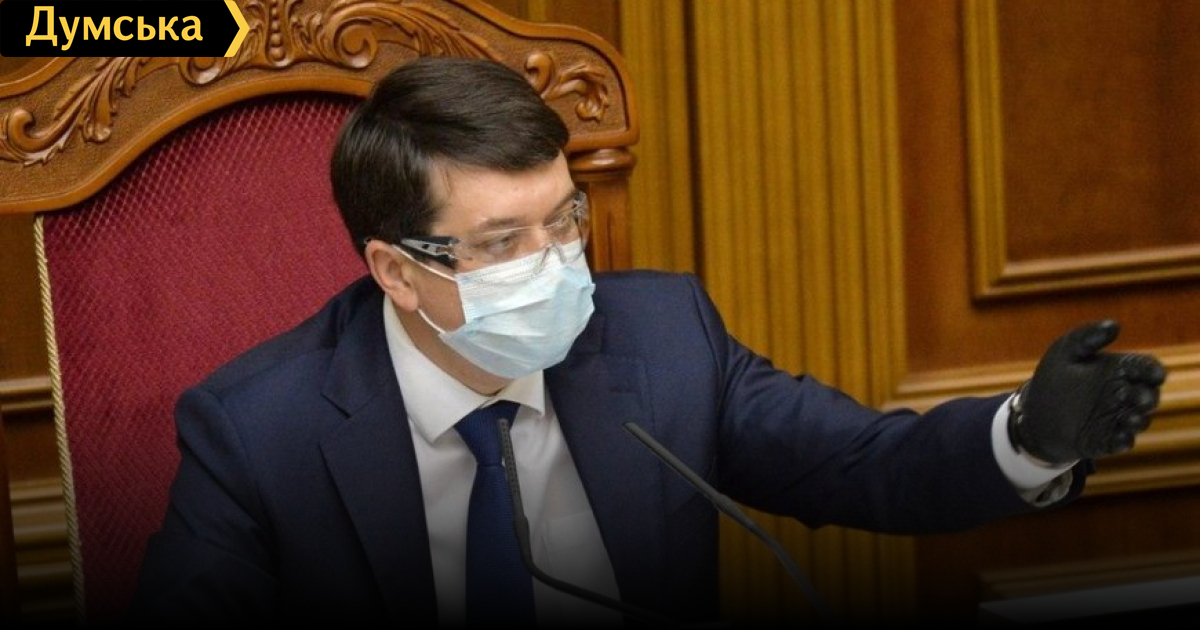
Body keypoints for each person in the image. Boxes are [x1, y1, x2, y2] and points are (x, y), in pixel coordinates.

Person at [129, 56, 1166, 627]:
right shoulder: (259, 430)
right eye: (502, 242)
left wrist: (1028, 436)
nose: (554, 264)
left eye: (563, 220)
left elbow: (865, 465)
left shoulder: (661, 339)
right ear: (396, 272)